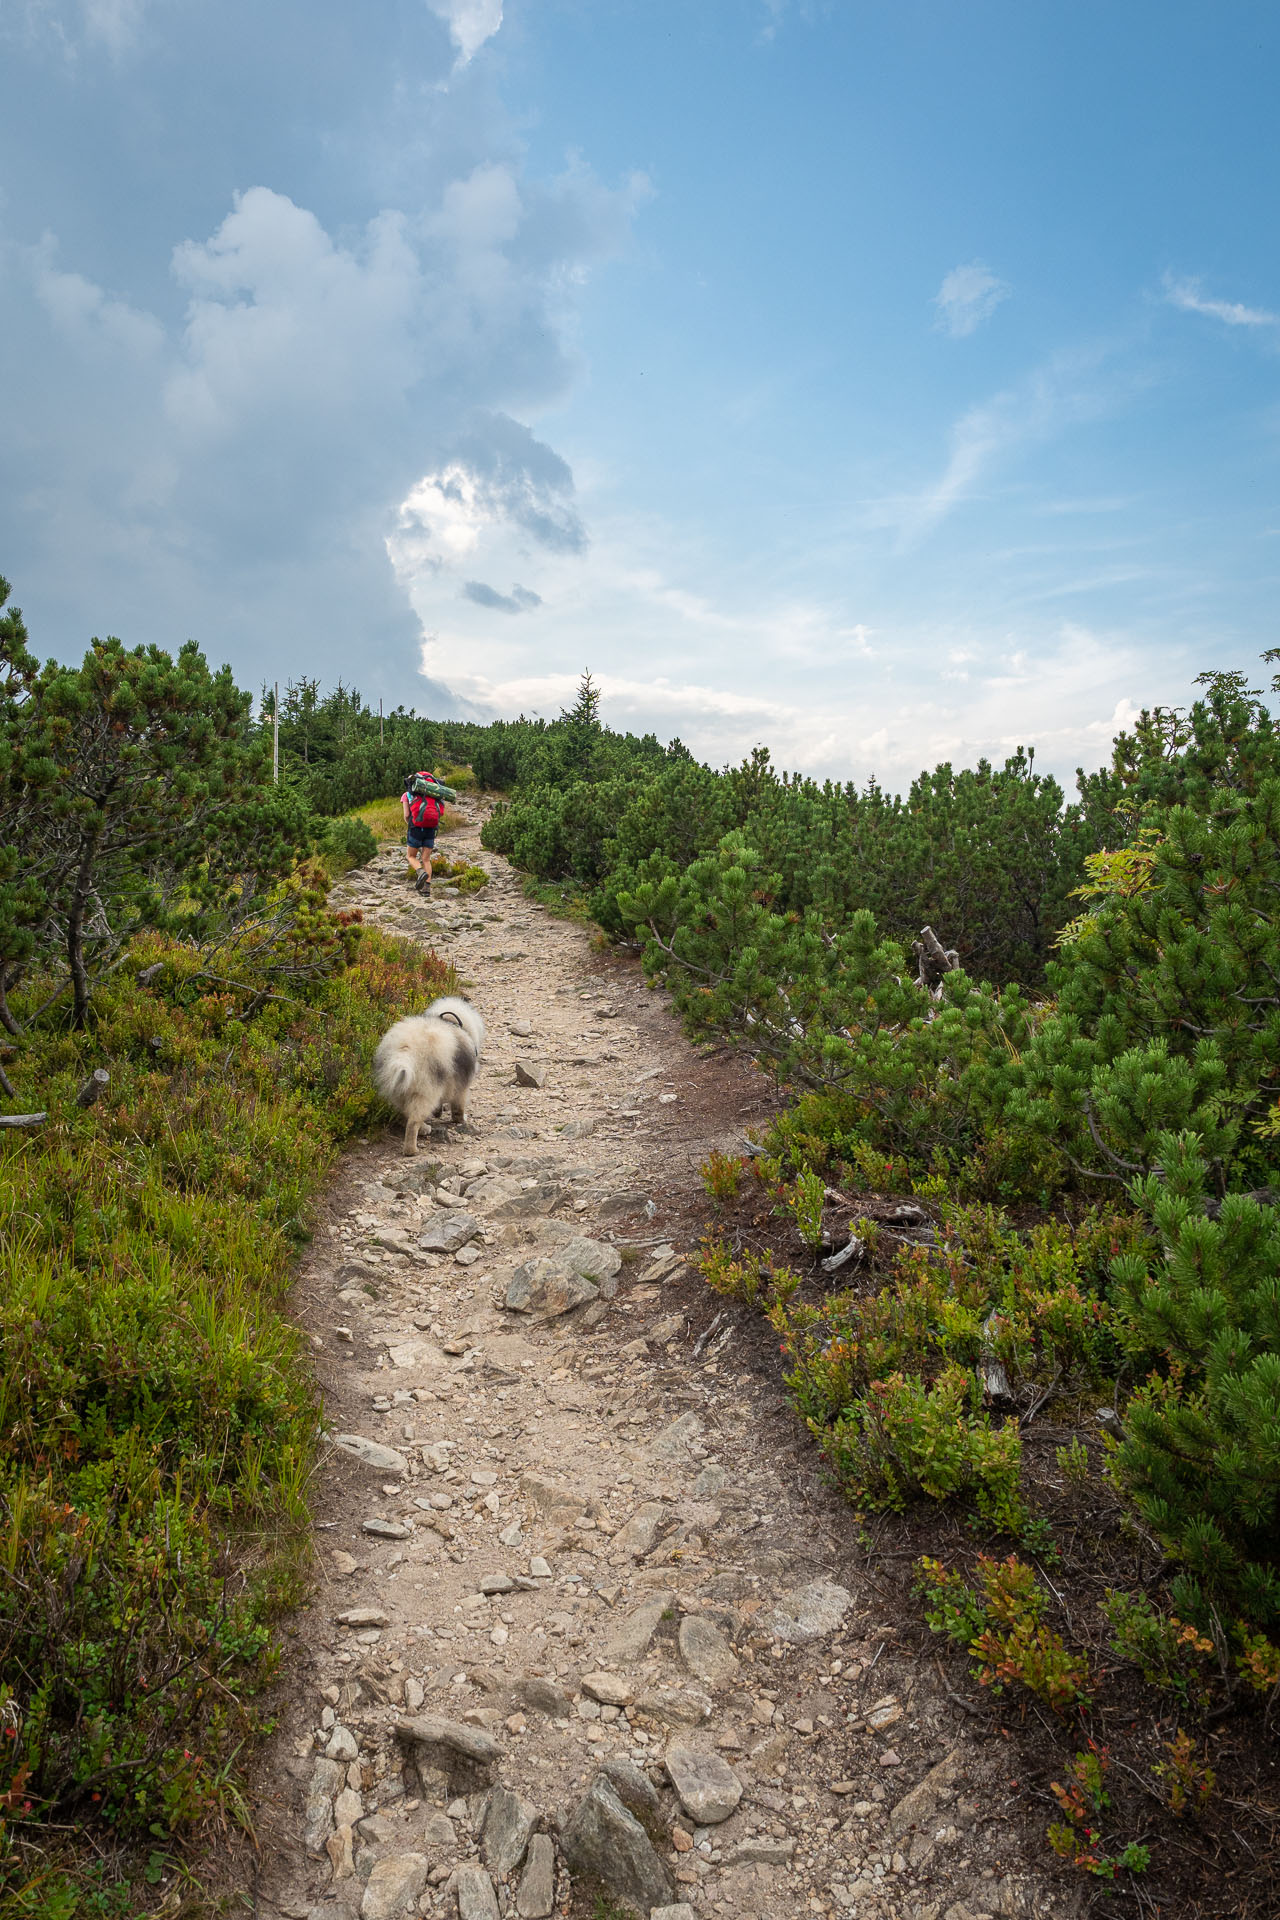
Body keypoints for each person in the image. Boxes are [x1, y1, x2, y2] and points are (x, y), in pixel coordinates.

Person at [401, 772, 454, 895]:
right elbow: (440, 812)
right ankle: (426, 889)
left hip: (416, 828)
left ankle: (420, 872)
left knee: (411, 856)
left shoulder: (407, 795)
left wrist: (411, 824)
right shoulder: (436, 795)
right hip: (431, 828)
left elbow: (407, 815)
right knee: (426, 859)